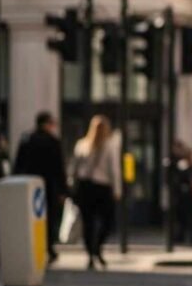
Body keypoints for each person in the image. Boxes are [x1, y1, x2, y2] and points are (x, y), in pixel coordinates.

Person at [13, 111, 68, 264]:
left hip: (28, 185)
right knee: (49, 219)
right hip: (48, 186)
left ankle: (33, 247)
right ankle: (48, 247)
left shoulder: (27, 139)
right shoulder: (52, 141)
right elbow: (59, 168)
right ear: (46, 124)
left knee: (30, 218)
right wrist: (63, 190)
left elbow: (18, 165)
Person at [71, 115, 121, 269]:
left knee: (95, 222)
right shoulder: (84, 145)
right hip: (96, 187)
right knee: (93, 222)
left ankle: (94, 251)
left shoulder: (105, 145)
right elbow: (114, 169)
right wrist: (117, 189)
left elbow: (73, 168)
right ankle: (93, 252)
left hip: (92, 187)